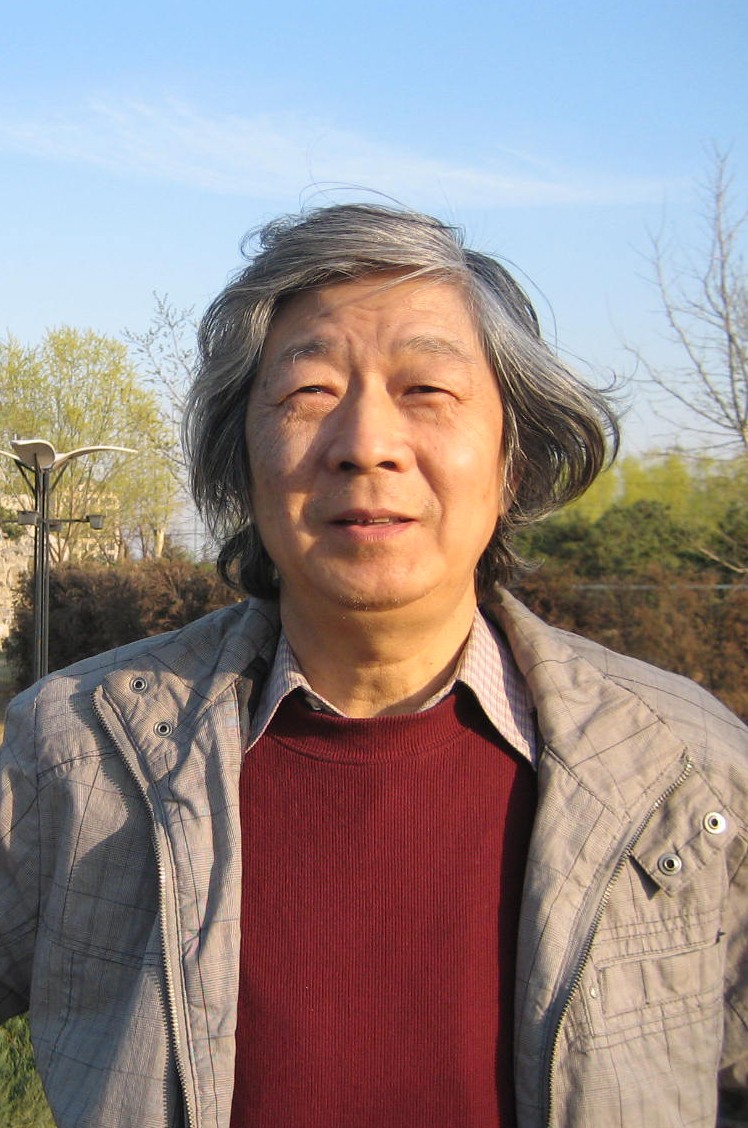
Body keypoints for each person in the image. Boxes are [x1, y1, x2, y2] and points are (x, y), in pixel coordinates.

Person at [0, 204, 746, 1128]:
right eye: (308, 392)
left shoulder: (686, 771)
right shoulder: (73, 753)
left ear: (511, 459)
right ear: (243, 461)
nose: (366, 444)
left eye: (427, 389)